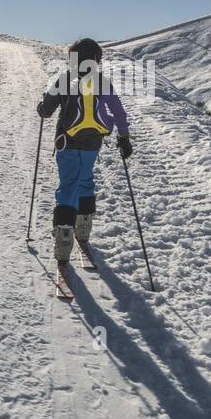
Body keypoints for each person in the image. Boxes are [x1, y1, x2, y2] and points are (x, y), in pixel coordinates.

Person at [36, 37, 132, 265]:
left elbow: (46, 111)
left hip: (66, 142)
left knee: (68, 184)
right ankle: (84, 229)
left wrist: (42, 106)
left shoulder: (64, 80)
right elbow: (118, 112)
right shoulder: (102, 82)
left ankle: (64, 239)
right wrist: (124, 137)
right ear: (96, 60)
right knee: (86, 179)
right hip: (93, 142)